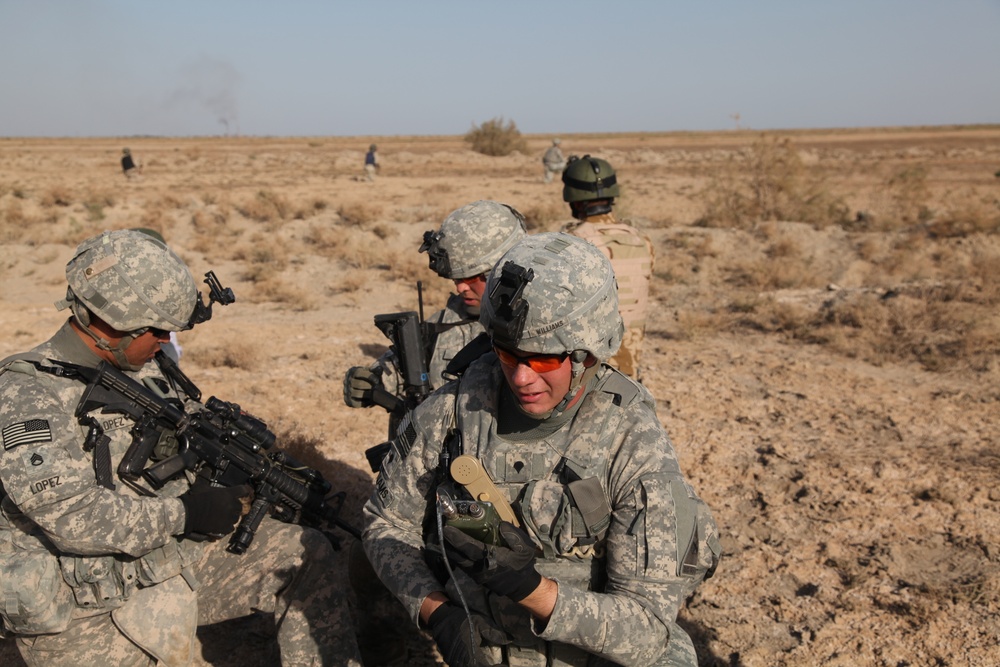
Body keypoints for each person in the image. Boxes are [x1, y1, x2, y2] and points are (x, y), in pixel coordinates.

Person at [0, 229, 362, 666]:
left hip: (165, 563)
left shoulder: (146, 369)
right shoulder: (24, 395)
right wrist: (187, 512)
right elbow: (72, 518)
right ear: (111, 321)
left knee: (306, 554)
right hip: (83, 606)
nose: (165, 342)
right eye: (157, 331)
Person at [362, 232, 721, 667]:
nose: (522, 377)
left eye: (545, 359)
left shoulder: (632, 442)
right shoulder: (453, 410)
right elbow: (386, 523)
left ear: (589, 352)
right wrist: (437, 613)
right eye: (508, 354)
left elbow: (646, 630)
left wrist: (530, 589)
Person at [343, 199, 528, 417]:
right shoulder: (439, 327)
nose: (461, 288)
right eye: (456, 278)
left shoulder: (542, 323)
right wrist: (368, 382)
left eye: (474, 278)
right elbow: (394, 371)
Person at [560, 154, 654, 380]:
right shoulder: (642, 241)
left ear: (573, 197)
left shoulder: (570, 243)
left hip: (586, 364)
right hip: (628, 364)